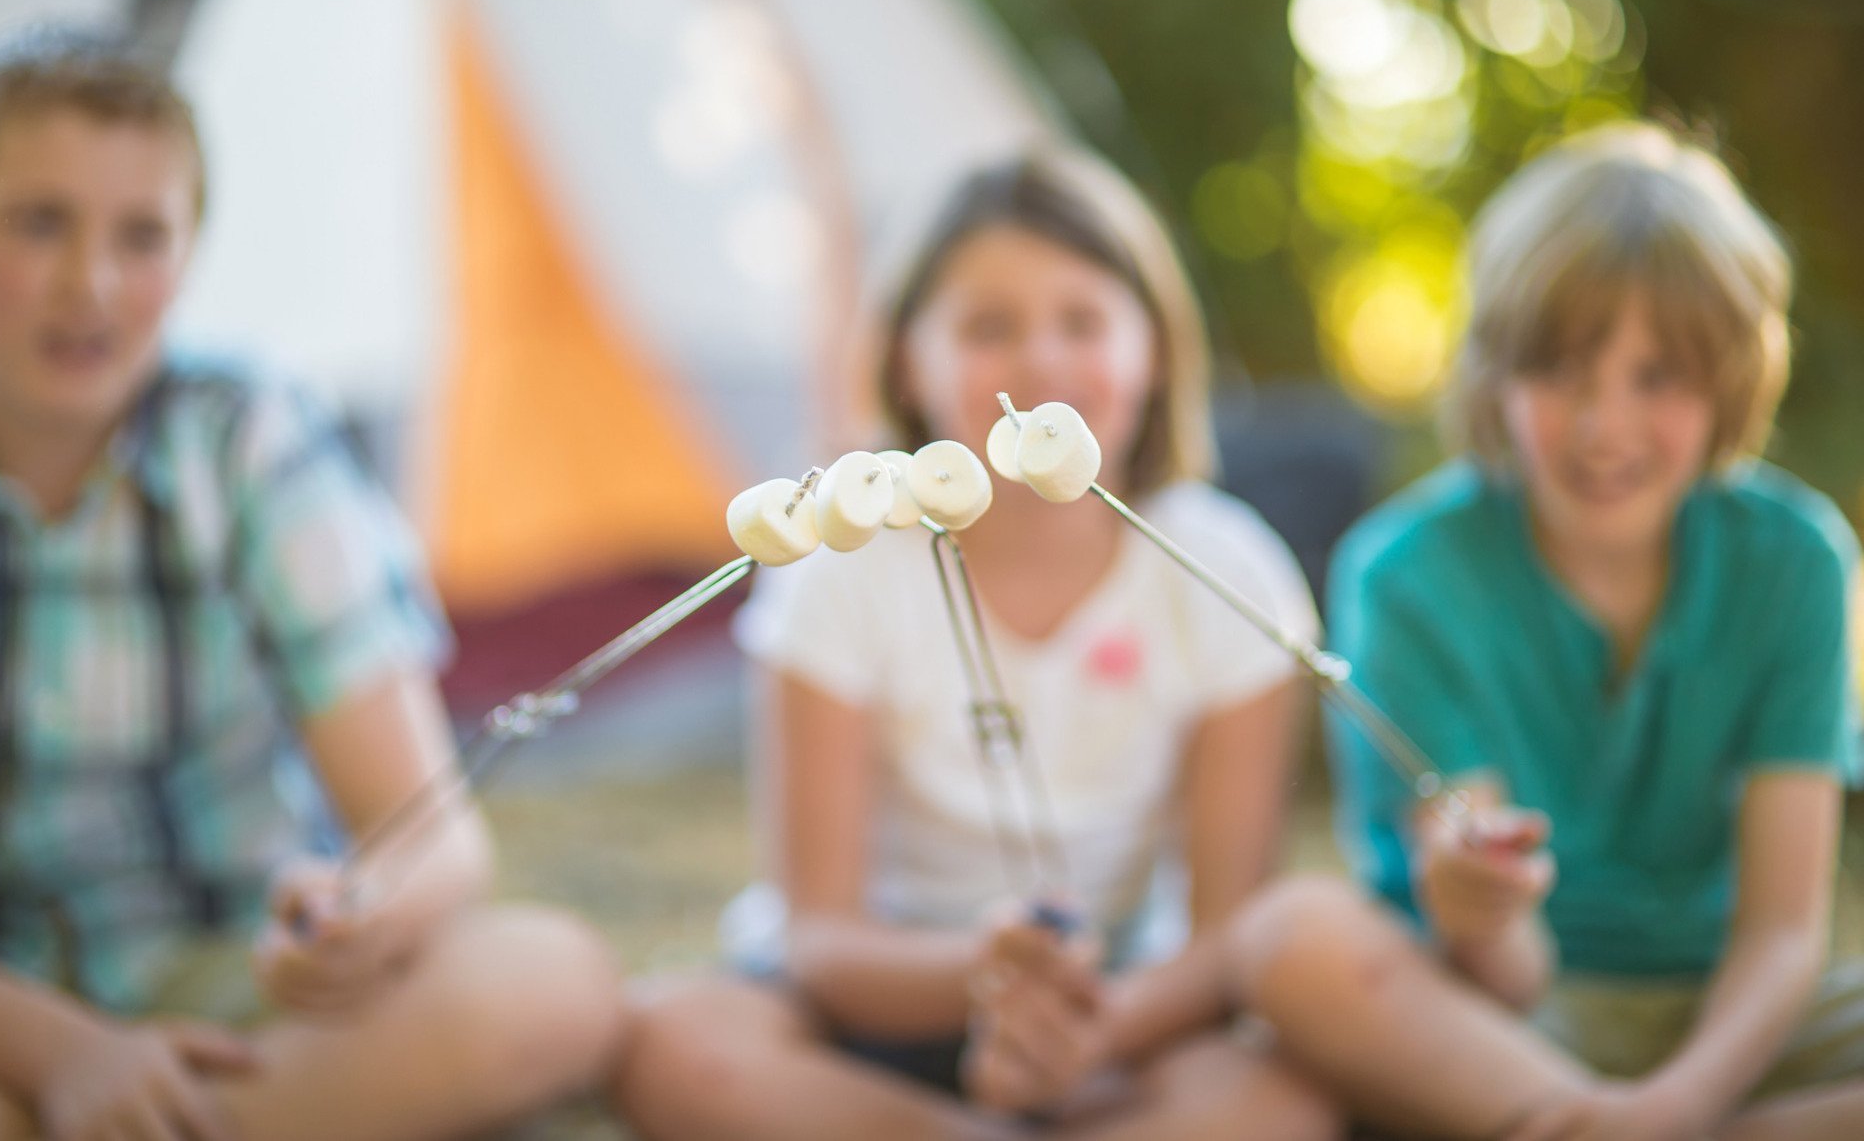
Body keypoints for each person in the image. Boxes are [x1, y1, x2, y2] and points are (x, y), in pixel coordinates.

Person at [0, 24, 624, 1141]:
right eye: (38, 223)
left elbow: (431, 834)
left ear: (190, 255)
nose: (90, 284)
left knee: (551, 985)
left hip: (227, 983)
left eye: (141, 236)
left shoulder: (249, 436)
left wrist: (361, 917)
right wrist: (68, 1057)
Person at [615, 149, 1339, 1139]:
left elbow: (1225, 939)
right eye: (989, 328)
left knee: (1275, 1100)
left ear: (1156, 352)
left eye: (1082, 323)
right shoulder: (837, 574)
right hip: (870, 1011)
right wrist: (985, 972)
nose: (1041, 363)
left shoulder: (1225, 569)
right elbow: (819, 934)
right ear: (907, 360)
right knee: (675, 1039)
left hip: (1117, 1013)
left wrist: (1088, 1033)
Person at [1232, 121, 1864, 1140]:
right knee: (1289, 938)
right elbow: (1511, 975)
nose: (1605, 426)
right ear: (1496, 375)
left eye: (1659, 378)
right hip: (1494, 1023)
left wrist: (1673, 1107)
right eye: (1563, 370)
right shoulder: (1407, 575)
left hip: (1731, 1019)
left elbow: (1785, 933)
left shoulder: (1796, 560)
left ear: (1730, 382)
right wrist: (1481, 914)